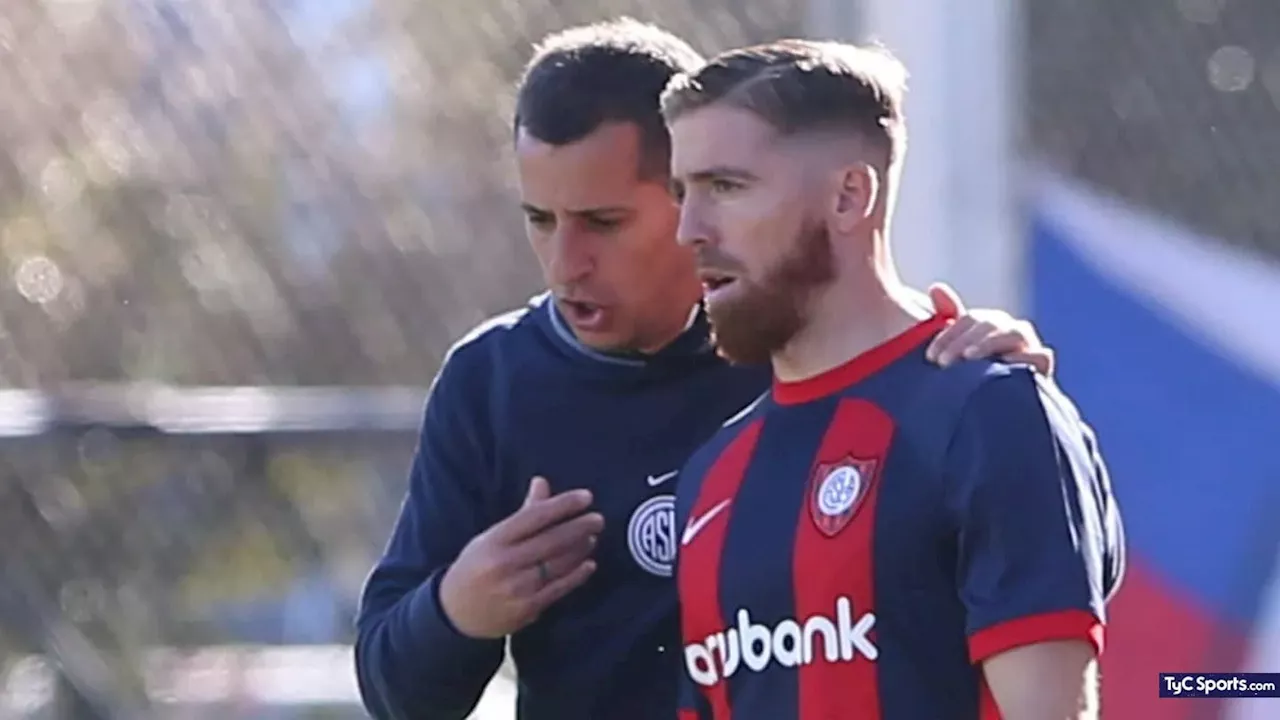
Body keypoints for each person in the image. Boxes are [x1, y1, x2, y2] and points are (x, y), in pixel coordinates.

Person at [353, 20, 1057, 720]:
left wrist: (988, 387)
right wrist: (458, 609)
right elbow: (395, 691)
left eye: (604, 222)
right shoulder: (492, 383)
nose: (566, 262)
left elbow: (1042, 589)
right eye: (540, 219)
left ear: (692, 195)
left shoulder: (812, 362)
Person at [663, 39, 1125, 720]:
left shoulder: (988, 415)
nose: (688, 229)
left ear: (851, 196)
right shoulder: (711, 475)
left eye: (726, 187)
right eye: (683, 192)